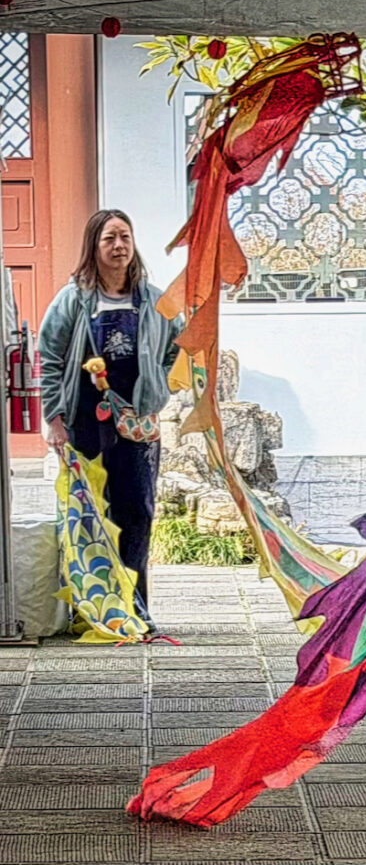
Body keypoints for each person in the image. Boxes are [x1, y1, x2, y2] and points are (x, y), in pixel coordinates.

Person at [39, 209, 183, 628]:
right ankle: (91, 609)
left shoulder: (156, 302)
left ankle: (136, 607)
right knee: (89, 513)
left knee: (136, 511)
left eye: (125, 237)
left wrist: (160, 386)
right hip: (85, 417)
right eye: (109, 239)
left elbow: (180, 350)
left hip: (137, 421)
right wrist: (54, 417)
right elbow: (49, 358)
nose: (119, 246)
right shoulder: (73, 300)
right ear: (93, 248)